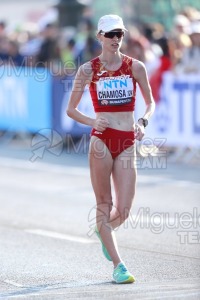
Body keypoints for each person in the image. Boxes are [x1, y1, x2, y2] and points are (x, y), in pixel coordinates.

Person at [67, 14, 155, 284]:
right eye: (110, 34)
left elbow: (150, 103)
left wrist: (143, 121)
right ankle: (119, 265)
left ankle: (103, 231)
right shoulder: (88, 70)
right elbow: (71, 110)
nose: (116, 39)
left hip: (127, 139)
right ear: (99, 37)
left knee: (125, 210)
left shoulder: (136, 67)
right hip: (102, 140)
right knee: (105, 204)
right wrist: (93, 120)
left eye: (120, 34)